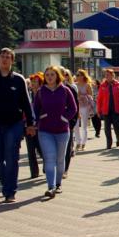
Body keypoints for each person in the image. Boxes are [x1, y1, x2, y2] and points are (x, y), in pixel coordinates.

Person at [0, 48, 36, 203]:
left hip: (14, 124)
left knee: (11, 157)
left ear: (12, 61)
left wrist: (31, 123)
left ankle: (10, 192)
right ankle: (7, 184)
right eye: (2, 57)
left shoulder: (18, 79)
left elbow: (26, 103)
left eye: (8, 57)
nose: (4, 59)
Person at [33, 66, 77, 199]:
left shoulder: (65, 90)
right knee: (49, 158)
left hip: (62, 131)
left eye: (52, 74)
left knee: (60, 158)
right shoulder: (41, 91)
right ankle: (51, 187)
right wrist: (37, 120)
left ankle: (58, 184)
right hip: (45, 130)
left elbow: (73, 108)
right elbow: (35, 109)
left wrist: (65, 118)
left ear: (57, 76)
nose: (50, 77)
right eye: (47, 75)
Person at [96, 69, 119, 150]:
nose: (106, 76)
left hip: (116, 110)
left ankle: (118, 138)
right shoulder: (103, 85)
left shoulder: (118, 84)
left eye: (108, 75)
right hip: (106, 111)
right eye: (105, 75)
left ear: (113, 75)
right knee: (107, 128)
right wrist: (98, 110)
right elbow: (99, 99)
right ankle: (109, 143)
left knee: (117, 127)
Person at [60, 68, 79, 178]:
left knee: (67, 147)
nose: (64, 76)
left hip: (67, 123)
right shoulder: (47, 88)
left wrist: (72, 122)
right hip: (51, 125)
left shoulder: (70, 88)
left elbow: (74, 107)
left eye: (66, 74)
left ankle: (65, 169)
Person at [26, 73, 44, 178]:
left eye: (35, 82)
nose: (33, 84)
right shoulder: (27, 94)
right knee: (30, 150)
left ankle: (47, 165)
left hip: (41, 126)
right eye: (32, 82)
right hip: (28, 125)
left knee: (41, 149)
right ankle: (34, 172)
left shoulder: (42, 94)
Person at [75, 69, 95, 152]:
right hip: (76, 106)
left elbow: (91, 96)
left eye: (79, 75)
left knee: (84, 125)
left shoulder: (87, 85)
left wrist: (83, 95)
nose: (77, 76)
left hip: (85, 106)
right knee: (75, 125)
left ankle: (83, 143)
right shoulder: (75, 85)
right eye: (77, 75)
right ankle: (78, 142)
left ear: (83, 76)